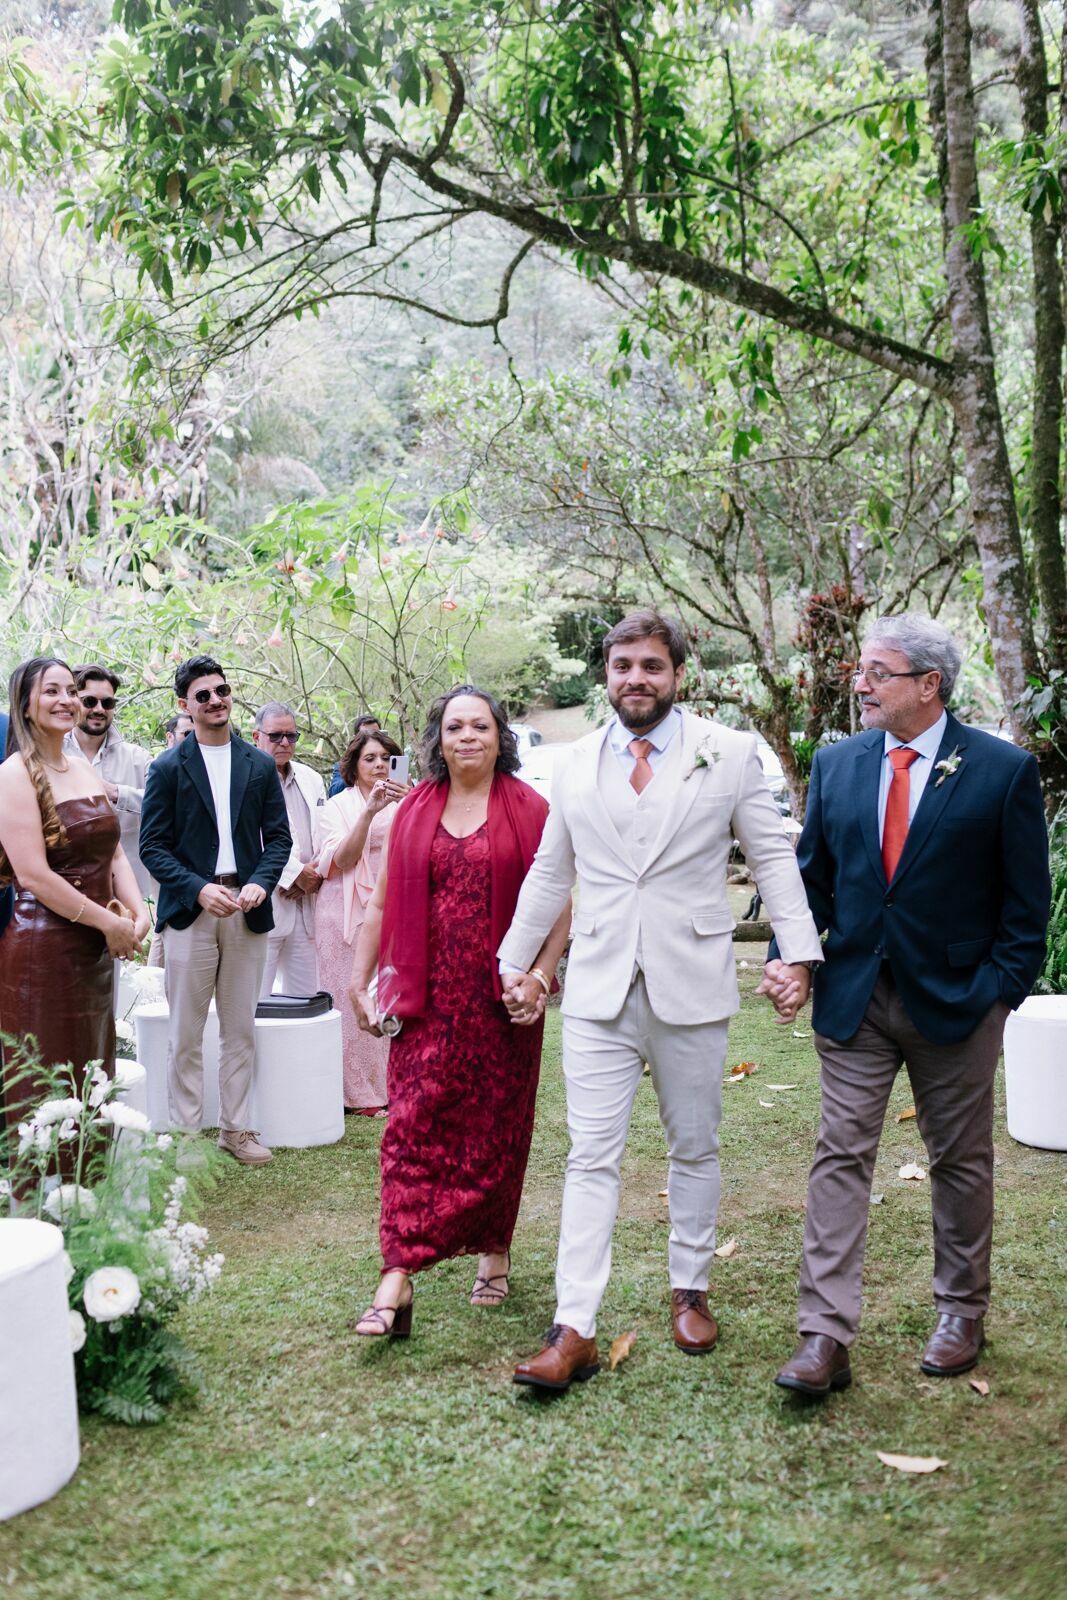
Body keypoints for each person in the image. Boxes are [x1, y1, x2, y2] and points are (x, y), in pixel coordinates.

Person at [498, 609, 822, 1391]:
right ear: (604, 676)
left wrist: (797, 952)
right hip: (599, 985)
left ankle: (690, 1288)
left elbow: (772, 859)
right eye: (622, 666)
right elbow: (550, 871)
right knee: (588, 1155)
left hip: (692, 978)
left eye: (650, 665)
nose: (635, 679)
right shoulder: (573, 764)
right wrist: (513, 961)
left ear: (677, 673)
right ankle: (573, 1325)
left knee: (695, 1146)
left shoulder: (728, 752)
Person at [766, 614, 1050, 1396]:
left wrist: (997, 997)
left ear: (928, 685)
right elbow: (810, 881)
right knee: (839, 1155)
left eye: (877, 673)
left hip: (956, 1004)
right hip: (854, 998)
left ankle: (960, 1312)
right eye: (860, 671)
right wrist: (791, 956)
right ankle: (823, 1335)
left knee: (959, 1160)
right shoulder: (837, 764)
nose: (859, 684)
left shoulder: (1000, 770)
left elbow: (1026, 907)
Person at [349, 687, 570, 1336]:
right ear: (437, 741)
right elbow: (380, 902)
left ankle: (493, 1250)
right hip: (425, 999)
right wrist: (359, 982)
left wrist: (540, 977)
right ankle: (397, 1274)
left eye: (480, 726)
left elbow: (559, 904)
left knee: (496, 1129)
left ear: (500, 737)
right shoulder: (412, 810)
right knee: (409, 1127)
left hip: (501, 1003)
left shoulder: (531, 810)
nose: (467, 736)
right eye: (454, 727)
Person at [139, 656, 292, 1166]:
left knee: (239, 1029)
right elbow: (152, 847)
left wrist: (261, 883)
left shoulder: (259, 764)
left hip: (248, 909)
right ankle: (186, 1136)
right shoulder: (166, 767)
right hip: (191, 912)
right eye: (202, 695)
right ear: (184, 705)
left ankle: (236, 1130)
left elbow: (279, 839)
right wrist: (198, 889)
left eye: (221, 690)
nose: (215, 700)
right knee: (185, 1032)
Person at [0, 659, 147, 1165]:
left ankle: (87, 1193)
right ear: (26, 704)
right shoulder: (13, 775)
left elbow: (115, 853)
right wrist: (110, 923)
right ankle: (40, 1196)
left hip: (95, 954)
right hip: (42, 953)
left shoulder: (82, 766)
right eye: (52, 691)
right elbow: (34, 876)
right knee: (44, 1083)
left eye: (72, 691)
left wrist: (137, 913)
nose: (67, 700)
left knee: (91, 1075)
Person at [316, 726, 408, 1112]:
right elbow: (342, 858)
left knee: (392, 992)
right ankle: (356, 1094)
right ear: (353, 767)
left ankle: (393, 1085)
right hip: (344, 909)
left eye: (386, 758)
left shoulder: (409, 801)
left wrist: (409, 804)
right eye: (369, 759)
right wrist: (370, 811)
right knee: (348, 993)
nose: (379, 765)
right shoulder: (338, 806)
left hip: (395, 904)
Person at [252, 701, 327, 998]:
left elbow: (324, 832)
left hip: (308, 902)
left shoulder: (311, 778)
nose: (284, 742)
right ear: (256, 736)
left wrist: (314, 873)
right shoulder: (245, 777)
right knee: (256, 1001)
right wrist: (294, 874)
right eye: (275, 736)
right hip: (267, 898)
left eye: (291, 735)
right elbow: (249, 837)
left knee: (307, 999)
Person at [64, 664, 152, 896]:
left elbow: (166, 805)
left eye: (107, 703)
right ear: (73, 701)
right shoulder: (52, 754)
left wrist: (116, 793)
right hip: (67, 889)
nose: (99, 709)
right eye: (89, 701)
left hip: (129, 893)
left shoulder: (137, 758)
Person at [328, 714, 381, 798]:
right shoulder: (344, 765)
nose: (372, 739)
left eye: (376, 734)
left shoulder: (390, 761)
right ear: (355, 738)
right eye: (366, 735)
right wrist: (354, 772)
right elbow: (334, 792)